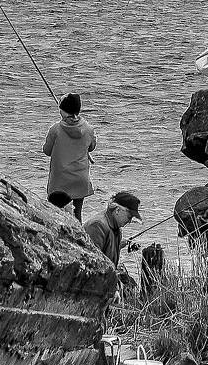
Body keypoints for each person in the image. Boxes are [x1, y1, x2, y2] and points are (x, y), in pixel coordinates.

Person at [43, 92, 95, 221]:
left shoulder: (55, 129)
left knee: (55, 215)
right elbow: (91, 147)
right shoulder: (88, 129)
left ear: (63, 111)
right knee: (77, 215)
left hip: (60, 180)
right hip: (80, 178)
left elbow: (47, 151)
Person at [84, 189, 141, 281]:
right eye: (129, 216)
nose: (130, 221)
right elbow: (92, 262)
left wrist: (118, 245)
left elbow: (105, 252)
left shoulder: (116, 227)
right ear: (117, 210)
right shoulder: (97, 225)